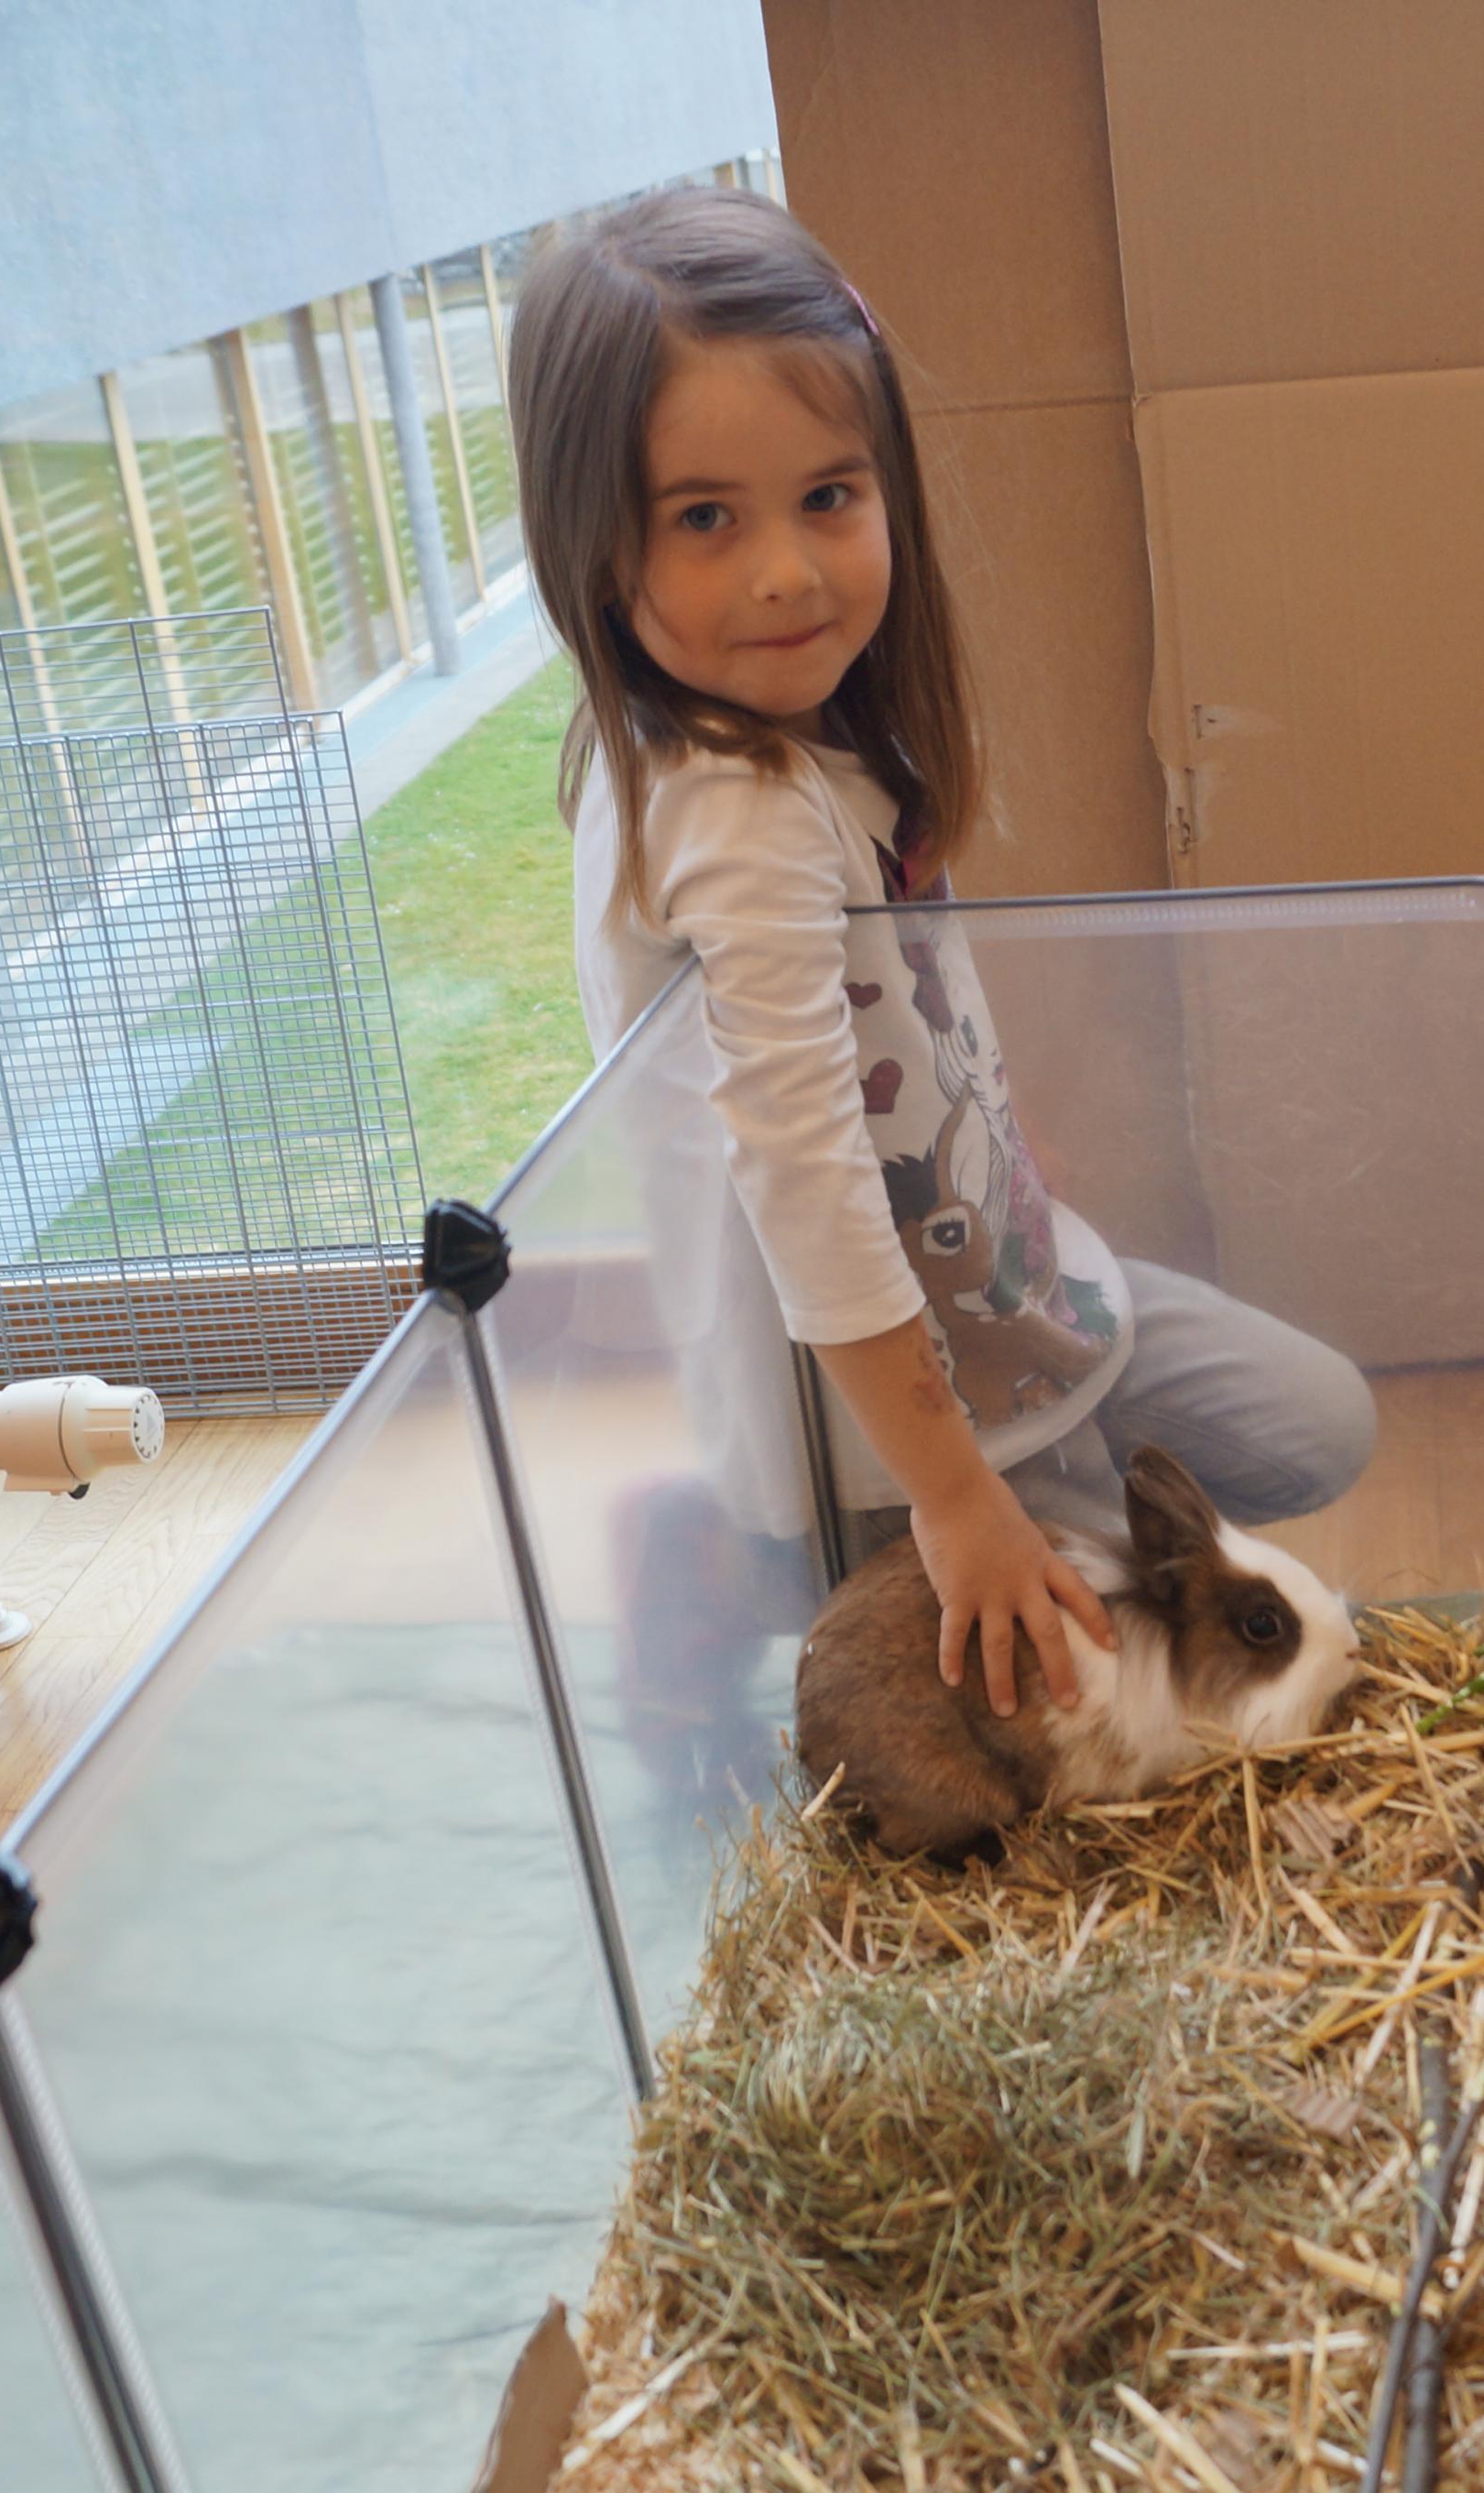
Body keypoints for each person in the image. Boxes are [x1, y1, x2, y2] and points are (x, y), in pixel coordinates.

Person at [507, 186, 1374, 1723]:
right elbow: (805, 1171)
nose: (788, 570)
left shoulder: (813, 727)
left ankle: (832, 1524)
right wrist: (960, 1500)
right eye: (705, 518)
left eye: (828, 496)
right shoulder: (734, 810)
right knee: (1099, 1703)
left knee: (1315, 1425)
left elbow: (898, 1024)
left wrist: (1002, 1158)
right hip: (885, 1422)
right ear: (595, 538)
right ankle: (740, 1555)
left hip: (1007, 1299)